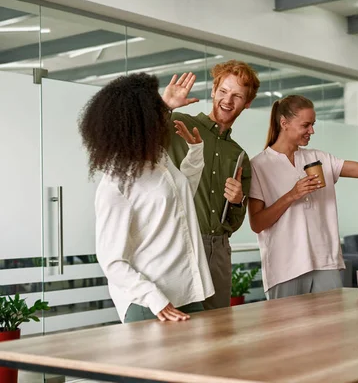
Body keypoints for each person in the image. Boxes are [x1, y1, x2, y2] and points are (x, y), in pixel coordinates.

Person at [248, 94, 358, 299]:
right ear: (284, 123)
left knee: (333, 330)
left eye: (313, 124)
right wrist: (292, 195)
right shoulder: (259, 165)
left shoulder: (319, 158)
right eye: (306, 125)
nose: (312, 130)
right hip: (284, 267)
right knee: (289, 331)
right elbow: (257, 223)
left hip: (325, 262)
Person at [79, 73, 214, 323]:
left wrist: (195, 154)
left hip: (189, 292)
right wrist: (155, 299)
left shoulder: (158, 159)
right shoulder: (116, 183)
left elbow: (180, 201)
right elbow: (112, 261)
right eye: (153, 109)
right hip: (152, 306)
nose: (159, 117)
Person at [162, 61, 260, 310]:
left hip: (219, 251)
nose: (228, 100)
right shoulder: (177, 123)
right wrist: (165, 106)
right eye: (224, 91)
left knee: (219, 330)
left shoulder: (239, 155)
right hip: (181, 245)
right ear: (213, 91)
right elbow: (136, 134)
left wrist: (238, 201)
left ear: (247, 103)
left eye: (237, 96)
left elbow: (234, 223)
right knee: (180, 329)